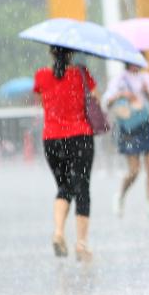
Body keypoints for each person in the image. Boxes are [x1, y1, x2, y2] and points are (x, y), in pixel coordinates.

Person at [33, 46, 97, 262]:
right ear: (71, 53)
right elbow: (94, 99)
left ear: (51, 53)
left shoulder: (41, 75)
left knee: (64, 187)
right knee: (82, 188)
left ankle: (59, 232)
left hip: (52, 138)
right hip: (80, 136)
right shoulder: (81, 73)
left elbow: (42, 100)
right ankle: (81, 244)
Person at [103, 62, 149, 219]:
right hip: (129, 128)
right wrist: (121, 95)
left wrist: (147, 92)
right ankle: (120, 195)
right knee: (134, 171)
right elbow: (106, 103)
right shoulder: (119, 81)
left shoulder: (146, 78)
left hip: (146, 125)